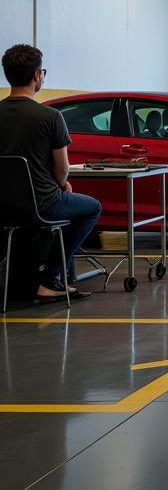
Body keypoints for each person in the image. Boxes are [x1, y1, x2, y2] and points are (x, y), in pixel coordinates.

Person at [0, 44, 101, 302]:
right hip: (42, 203)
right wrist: (62, 183)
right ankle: (51, 278)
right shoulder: (50, 117)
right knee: (91, 207)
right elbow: (63, 168)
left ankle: (59, 279)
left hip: (3, 206)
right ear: (37, 76)